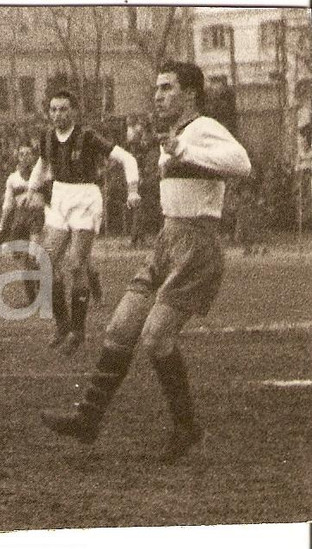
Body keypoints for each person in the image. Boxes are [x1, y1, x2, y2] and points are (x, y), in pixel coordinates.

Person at [39, 61, 251, 463]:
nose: (158, 95)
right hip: (166, 241)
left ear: (189, 92)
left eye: (167, 88)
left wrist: (184, 149)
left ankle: (186, 427)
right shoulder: (171, 135)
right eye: (157, 88)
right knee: (119, 328)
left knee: (156, 338)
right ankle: (88, 419)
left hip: (196, 246)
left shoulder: (201, 127)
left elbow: (242, 162)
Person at [20, 90, 141, 355]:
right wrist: (31, 190)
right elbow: (42, 164)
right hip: (60, 196)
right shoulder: (47, 138)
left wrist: (133, 189)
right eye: (53, 109)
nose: (57, 115)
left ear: (73, 111)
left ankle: (78, 330)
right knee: (46, 263)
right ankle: (63, 325)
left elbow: (126, 158)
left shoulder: (87, 136)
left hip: (85, 198)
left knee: (76, 265)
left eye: (63, 109)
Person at [0, 145, 44, 306]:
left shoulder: (41, 175)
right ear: (18, 158)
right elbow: (8, 204)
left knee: (33, 257)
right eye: (22, 154)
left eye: (28, 153)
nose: (25, 157)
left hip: (37, 216)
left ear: (33, 157)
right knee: (24, 261)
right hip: (20, 219)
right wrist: (2, 225)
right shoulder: (12, 179)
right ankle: (32, 299)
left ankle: (41, 293)